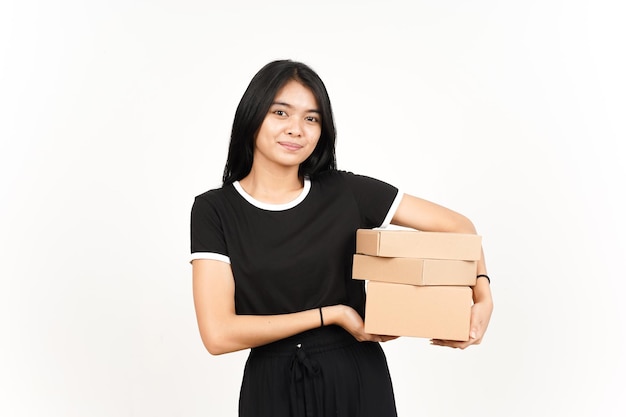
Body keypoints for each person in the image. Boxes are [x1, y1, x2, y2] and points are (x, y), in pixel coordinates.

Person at [190, 59, 493, 417]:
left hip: (355, 379)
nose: (296, 129)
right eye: (281, 113)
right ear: (252, 115)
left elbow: (459, 227)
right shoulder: (215, 210)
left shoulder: (345, 191)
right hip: (271, 388)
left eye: (311, 118)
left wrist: (482, 294)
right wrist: (330, 315)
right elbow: (218, 334)